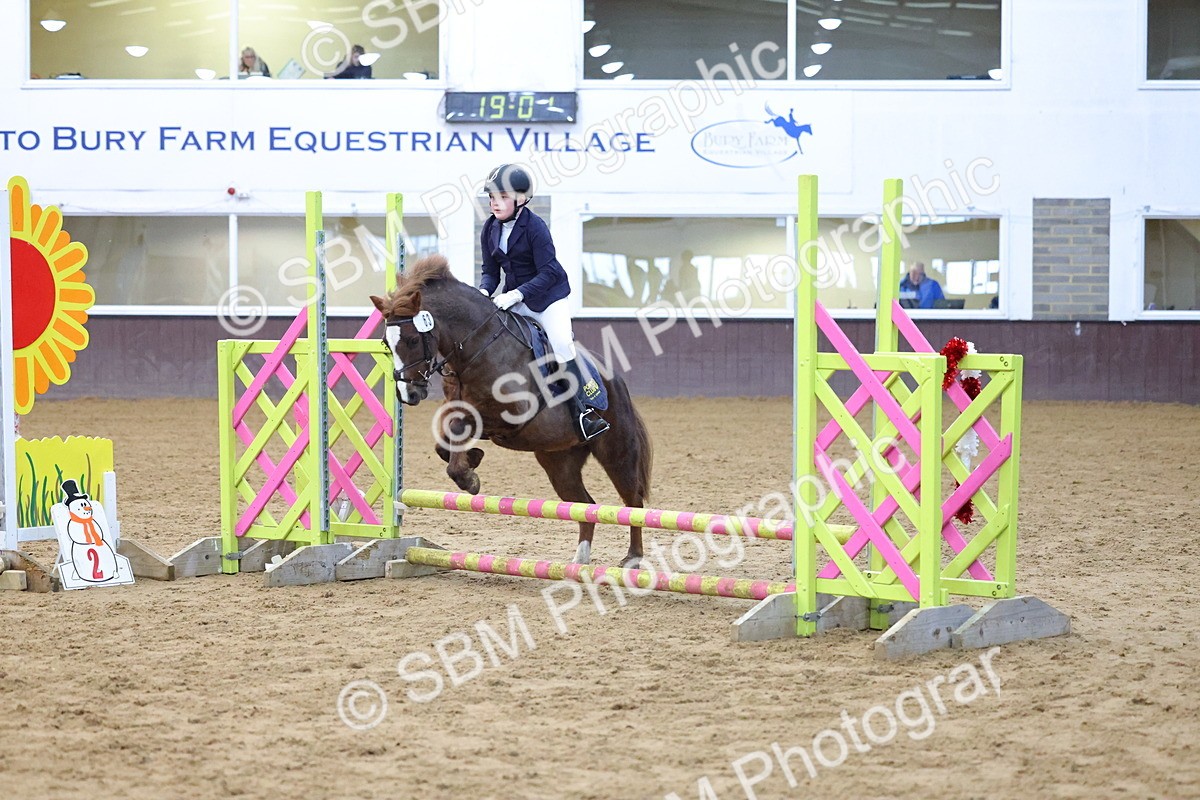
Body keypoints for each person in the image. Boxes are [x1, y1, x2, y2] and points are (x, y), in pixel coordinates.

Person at [478, 164, 609, 441]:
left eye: (501, 197)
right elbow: (490, 272)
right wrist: (484, 292)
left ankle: (585, 414)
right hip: (514, 296)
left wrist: (515, 294)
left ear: (521, 199)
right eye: (491, 198)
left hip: (548, 298)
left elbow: (549, 272)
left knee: (561, 343)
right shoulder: (489, 228)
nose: (494, 203)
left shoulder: (535, 227)